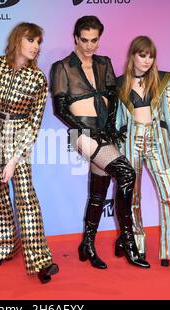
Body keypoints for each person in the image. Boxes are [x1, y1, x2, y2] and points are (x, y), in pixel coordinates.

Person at [50, 16, 149, 269]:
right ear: (75, 38)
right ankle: (128, 241)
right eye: (84, 40)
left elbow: (113, 100)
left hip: (104, 133)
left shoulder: (104, 63)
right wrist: (85, 131)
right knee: (126, 173)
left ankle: (87, 243)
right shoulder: (61, 67)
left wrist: (110, 129)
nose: (89, 46)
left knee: (99, 190)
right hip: (81, 133)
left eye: (94, 40)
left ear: (99, 40)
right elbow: (60, 109)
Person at [0, 22, 59, 284]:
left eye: (38, 42)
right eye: (31, 40)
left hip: (19, 138)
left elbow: (34, 124)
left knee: (26, 197)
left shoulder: (38, 80)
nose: (35, 46)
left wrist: (14, 159)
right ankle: (3, 247)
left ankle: (41, 260)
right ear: (17, 40)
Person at [116, 36, 170, 270]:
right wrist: (118, 149)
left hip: (156, 141)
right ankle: (136, 245)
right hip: (131, 142)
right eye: (142, 55)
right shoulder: (120, 83)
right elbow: (119, 120)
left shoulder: (162, 80)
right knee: (132, 197)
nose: (146, 60)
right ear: (133, 56)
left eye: (150, 56)